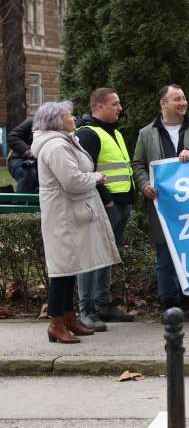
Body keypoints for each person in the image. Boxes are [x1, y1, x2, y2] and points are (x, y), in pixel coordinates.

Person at [32, 101, 120, 344]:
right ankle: (56, 324)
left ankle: (69, 318)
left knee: (69, 268)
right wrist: (96, 177)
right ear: (57, 121)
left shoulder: (64, 141)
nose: (73, 117)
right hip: (63, 216)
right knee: (61, 271)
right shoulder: (56, 146)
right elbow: (72, 181)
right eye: (68, 114)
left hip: (69, 214)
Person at [132, 85, 189, 321]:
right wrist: (144, 185)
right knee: (165, 258)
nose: (183, 103)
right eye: (177, 99)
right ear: (163, 104)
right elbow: (138, 164)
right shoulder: (146, 133)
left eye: (184, 98)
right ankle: (170, 306)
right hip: (163, 206)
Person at [74, 88, 136, 331]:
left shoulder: (115, 133)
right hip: (104, 205)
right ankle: (86, 310)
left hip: (121, 204)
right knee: (91, 257)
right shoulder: (88, 134)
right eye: (115, 104)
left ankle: (102, 305)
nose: (120, 108)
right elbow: (85, 171)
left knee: (107, 257)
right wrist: (106, 198)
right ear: (99, 106)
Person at [7, 115, 38, 193]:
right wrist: (28, 151)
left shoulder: (63, 129)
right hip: (20, 158)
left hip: (42, 163)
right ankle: (21, 203)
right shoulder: (32, 121)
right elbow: (12, 137)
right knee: (27, 172)